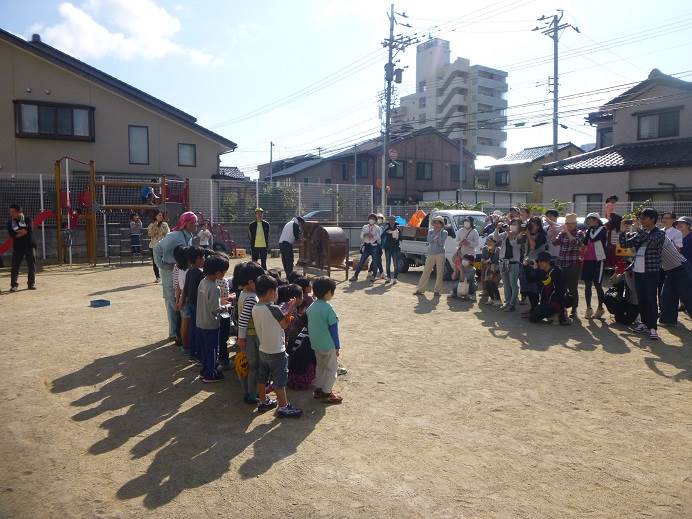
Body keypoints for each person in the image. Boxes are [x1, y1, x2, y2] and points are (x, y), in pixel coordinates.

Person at [252, 275, 303, 417]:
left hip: (263, 349)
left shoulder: (256, 307)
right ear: (271, 292)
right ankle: (283, 406)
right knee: (280, 379)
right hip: (276, 350)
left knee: (262, 377)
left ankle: (262, 401)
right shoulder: (273, 308)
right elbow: (284, 324)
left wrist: (287, 311)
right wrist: (291, 308)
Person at [619, 208, 666, 340]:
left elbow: (651, 242)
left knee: (651, 299)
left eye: (643, 218)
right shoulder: (642, 233)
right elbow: (625, 245)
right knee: (642, 299)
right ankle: (644, 324)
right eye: (640, 218)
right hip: (638, 271)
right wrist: (623, 231)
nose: (641, 220)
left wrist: (638, 230)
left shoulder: (659, 233)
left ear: (652, 219)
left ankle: (653, 328)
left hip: (651, 272)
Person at [153, 211, 197, 341]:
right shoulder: (174, 236)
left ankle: (178, 330)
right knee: (171, 300)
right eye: (193, 223)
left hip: (180, 270)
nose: (196, 225)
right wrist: (162, 265)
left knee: (180, 299)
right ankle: (173, 332)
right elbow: (156, 249)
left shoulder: (188, 235)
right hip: (169, 270)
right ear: (186, 223)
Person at [307, 276, 343, 404]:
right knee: (331, 369)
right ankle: (327, 393)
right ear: (328, 292)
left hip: (316, 344)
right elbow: (334, 329)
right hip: (328, 345)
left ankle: (319, 389)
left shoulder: (311, 307)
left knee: (321, 367)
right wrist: (337, 346)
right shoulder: (328, 308)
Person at [196, 253, 231, 383]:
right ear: (217, 272)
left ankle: (205, 370)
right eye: (223, 272)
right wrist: (226, 306)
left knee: (205, 350)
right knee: (212, 350)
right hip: (211, 324)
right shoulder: (215, 287)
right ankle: (210, 374)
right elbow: (215, 309)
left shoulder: (203, 282)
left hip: (200, 321)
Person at [236, 262, 265, 404]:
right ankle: (253, 394)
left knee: (249, 365)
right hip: (251, 336)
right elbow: (243, 320)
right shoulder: (252, 298)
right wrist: (241, 338)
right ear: (251, 282)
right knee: (254, 366)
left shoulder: (243, 293)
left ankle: (249, 392)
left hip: (247, 336)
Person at [552, 213, 583, 319]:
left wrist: (567, 233)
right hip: (562, 263)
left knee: (573, 288)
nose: (568, 225)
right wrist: (556, 232)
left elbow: (576, 243)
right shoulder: (563, 233)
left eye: (570, 224)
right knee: (562, 287)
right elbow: (555, 243)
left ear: (575, 224)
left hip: (573, 264)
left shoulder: (579, 233)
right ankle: (563, 308)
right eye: (567, 223)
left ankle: (574, 309)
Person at [658, 236, 692, 327]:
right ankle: (668, 320)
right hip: (670, 271)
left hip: (681, 268)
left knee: (688, 297)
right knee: (667, 296)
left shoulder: (659, 236)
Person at [529, 251, 571, 325]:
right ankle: (553, 315)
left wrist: (537, 270)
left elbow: (547, 281)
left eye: (543, 261)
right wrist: (526, 266)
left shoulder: (556, 271)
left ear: (548, 261)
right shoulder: (542, 271)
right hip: (547, 301)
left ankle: (559, 313)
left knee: (534, 316)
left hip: (556, 301)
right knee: (533, 316)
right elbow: (530, 279)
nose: (540, 263)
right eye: (539, 261)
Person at [518, 216, 548, 316]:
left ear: (539, 226)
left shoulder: (542, 236)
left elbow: (533, 246)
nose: (531, 225)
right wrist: (522, 232)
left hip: (537, 265)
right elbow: (519, 241)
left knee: (535, 288)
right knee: (527, 287)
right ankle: (532, 308)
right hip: (527, 263)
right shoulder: (528, 233)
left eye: (533, 224)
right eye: (530, 223)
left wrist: (527, 234)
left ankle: (536, 309)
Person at [581, 213, 608, 319]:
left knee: (597, 284)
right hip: (588, 260)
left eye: (589, 220)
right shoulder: (589, 230)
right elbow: (584, 242)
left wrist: (588, 232)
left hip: (599, 260)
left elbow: (593, 238)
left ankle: (600, 308)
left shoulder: (603, 229)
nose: (587, 222)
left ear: (595, 220)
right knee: (587, 284)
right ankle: (588, 308)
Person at [183, 247, 207, 361]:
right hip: (198, 305)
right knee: (199, 330)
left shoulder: (189, 272)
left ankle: (193, 353)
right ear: (197, 259)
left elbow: (186, 289)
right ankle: (198, 353)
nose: (204, 260)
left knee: (193, 328)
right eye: (202, 257)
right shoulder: (200, 273)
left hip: (191, 303)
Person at [413, 215, 448, 296]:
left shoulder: (445, 232)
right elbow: (429, 240)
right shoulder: (430, 231)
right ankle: (420, 289)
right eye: (435, 222)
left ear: (441, 224)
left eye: (438, 223)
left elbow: (441, 242)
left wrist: (437, 234)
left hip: (440, 253)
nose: (436, 224)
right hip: (431, 253)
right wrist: (435, 236)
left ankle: (437, 291)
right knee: (426, 271)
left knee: (439, 272)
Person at [493, 219, 522, 312]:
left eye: (515, 224)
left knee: (513, 285)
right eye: (511, 224)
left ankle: (512, 304)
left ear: (519, 226)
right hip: (503, 262)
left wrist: (509, 233)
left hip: (513, 263)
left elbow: (515, 245)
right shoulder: (505, 234)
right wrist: (497, 228)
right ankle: (507, 302)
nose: (512, 225)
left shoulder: (521, 235)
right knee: (506, 284)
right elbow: (496, 238)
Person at [7, 204, 36, 292]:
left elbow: (28, 231)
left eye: (13, 212)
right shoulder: (10, 222)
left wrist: (18, 233)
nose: (11, 214)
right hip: (18, 247)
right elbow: (12, 235)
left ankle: (31, 284)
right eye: (10, 212)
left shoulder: (28, 220)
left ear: (19, 212)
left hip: (30, 246)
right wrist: (22, 232)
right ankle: (14, 285)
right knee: (15, 267)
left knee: (31, 266)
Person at [351, 213, 382, 282]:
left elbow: (379, 238)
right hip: (367, 246)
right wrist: (365, 234)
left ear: (375, 220)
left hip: (374, 246)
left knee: (375, 261)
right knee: (361, 261)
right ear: (368, 219)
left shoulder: (377, 228)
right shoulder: (365, 227)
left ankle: (373, 276)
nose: (371, 220)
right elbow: (361, 237)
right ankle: (355, 276)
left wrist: (373, 236)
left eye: (373, 219)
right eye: (370, 219)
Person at [173, 245, 189, 351]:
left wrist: (178, 300)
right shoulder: (186, 270)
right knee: (184, 322)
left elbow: (178, 286)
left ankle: (181, 340)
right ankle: (184, 344)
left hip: (179, 297)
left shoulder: (178, 267)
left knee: (181, 320)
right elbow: (182, 287)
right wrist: (180, 300)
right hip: (184, 298)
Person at [452, 216, 479, 280]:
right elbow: (456, 241)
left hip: (470, 255)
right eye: (465, 221)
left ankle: (469, 284)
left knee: (468, 271)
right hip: (461, 254)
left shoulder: (474, 232)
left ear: (471, 223)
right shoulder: (460, 231)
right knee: (461, 270)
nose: (466, 223)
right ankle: (461, 284)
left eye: (468, 221)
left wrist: (468, 243)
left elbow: (476, 244)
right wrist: (460, 242)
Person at [147, 211, 169, 283]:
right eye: (159, 215)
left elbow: (168, 234)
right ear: (155, 216)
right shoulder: (151, 225)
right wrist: (155, 226)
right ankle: (158, 277)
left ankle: (164, 276)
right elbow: (150, 234)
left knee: (164, 261)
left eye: (161, 215)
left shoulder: (165, 224)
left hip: (163, 246)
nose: (160, 217)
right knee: (155, 262)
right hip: (153, 246)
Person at [480, 237, 502, 306]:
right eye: (488, 241)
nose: (489, 243)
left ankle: (498, 300)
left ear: (495, 243)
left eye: (491, 242)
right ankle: (492, 299)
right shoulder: (485, 249)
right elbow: (482, 260)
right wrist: (487, 261)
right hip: (488, 267)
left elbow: (496, 262)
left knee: (493, 283)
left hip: (498, 269)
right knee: (487, 282)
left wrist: (493, 272)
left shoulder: (499, 250)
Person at [381, 215, 401, 284]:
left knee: (395, 263)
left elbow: (401, 237)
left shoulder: (398, 227)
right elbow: (382, 236)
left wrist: (398, 235)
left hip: (395, 248)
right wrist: (386, 232)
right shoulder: (386, 227)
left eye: (393, 220)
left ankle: (395, 278)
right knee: (388, 263)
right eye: (390, 220)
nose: (392, 221)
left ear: (395, 220)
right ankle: (389, 278)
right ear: (388, 221)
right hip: (387, 248)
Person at [368, 213, 386, 280]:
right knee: (378, 259)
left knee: (377, 259)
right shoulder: (373, 227)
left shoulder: (381, 227)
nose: (379, 220)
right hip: (375, 246)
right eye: (378, 218)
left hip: (379, 246)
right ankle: (381, 273)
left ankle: (370, 271)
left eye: (381, 218)